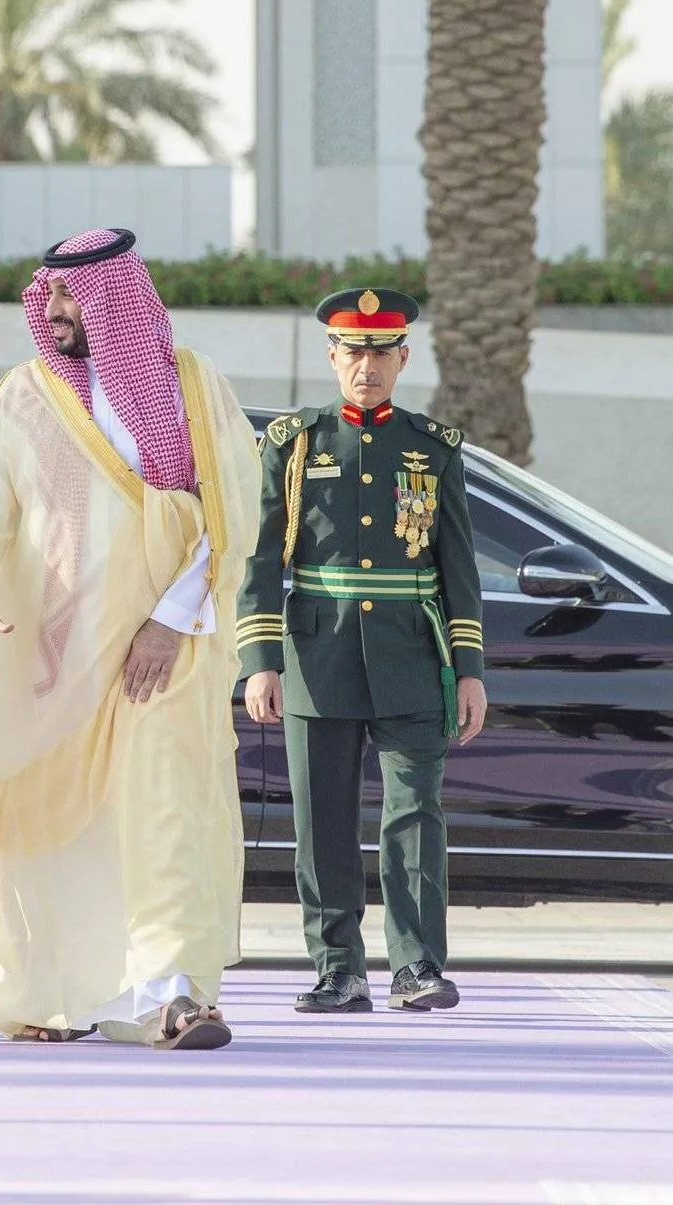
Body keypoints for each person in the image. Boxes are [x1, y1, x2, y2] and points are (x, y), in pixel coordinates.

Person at [0, 228, 261, 1050]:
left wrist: (167, 621)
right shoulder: (26, 397)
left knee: (166, 813)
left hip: (169, 655)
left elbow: (227, 521)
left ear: (117, 298)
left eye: (77, 295)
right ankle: (70, 992)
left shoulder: (194, 388)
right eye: (53, 295)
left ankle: (177, 997)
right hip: (62, 658)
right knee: (61, 824)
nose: (59, 309)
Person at [236, 287, 487, 1015]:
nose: (367, 366)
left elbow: (459, 568)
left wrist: (468, 670)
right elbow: (258, 559)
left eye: (381, 353)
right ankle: (338, 967)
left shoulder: (432, 447)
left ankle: (417, 965)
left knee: (415, 817)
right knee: (323, 821)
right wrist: (259, 660)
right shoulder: (294, 441)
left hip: (414, 653)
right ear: (333, 357)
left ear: (403, 358)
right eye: (354, 352)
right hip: (319, 654)